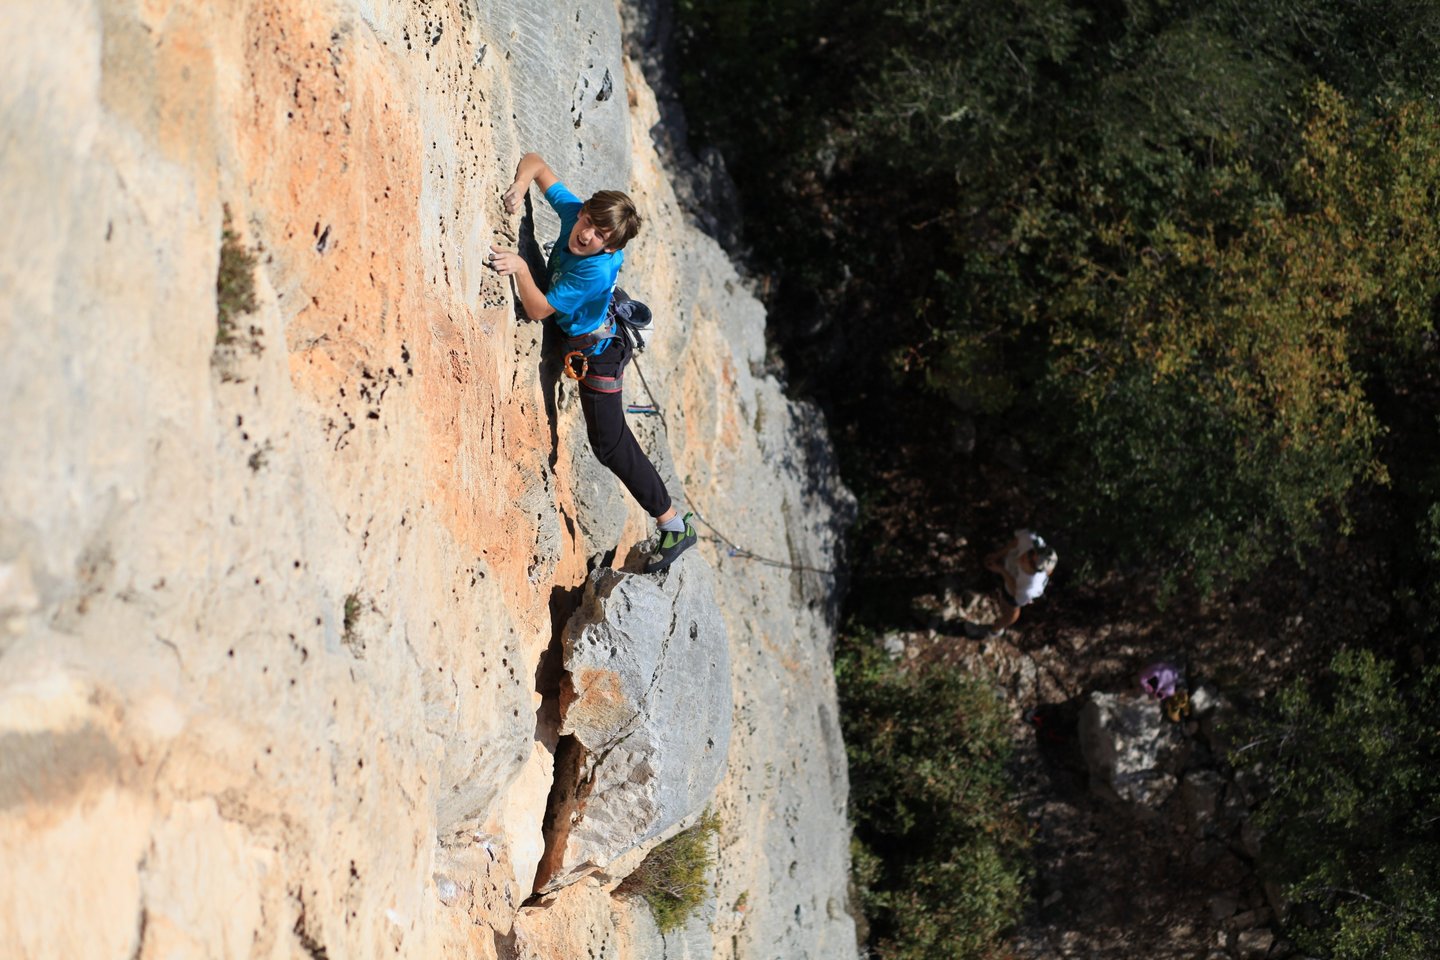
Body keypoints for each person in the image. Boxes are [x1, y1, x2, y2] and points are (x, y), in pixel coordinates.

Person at [486, 152, 697, 573]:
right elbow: (536, 162)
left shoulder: (594, 273)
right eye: (587, 223)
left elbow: (539, 308)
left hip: (598, 354)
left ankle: (674, 525)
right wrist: (521, 185)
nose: (586, 236)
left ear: (612, 247)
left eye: (600, 236)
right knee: (610, 444)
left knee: (610, 445)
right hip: (593, 332)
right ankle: (672, 521)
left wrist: (522, 268)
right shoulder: (575, 214)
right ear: (582, 211)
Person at [969, 529, 1057, 637]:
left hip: (1013, 588)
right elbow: (1017, 542)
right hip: (1008, 565)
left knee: (1009, 608)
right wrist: (997, 555)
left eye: (1031, 562)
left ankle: (994, 630)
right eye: (1031, 553)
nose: (1026, 557)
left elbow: (1016, 593)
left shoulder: (1030, 587)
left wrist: (1001, 571)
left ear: (1036, 571)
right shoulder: (1030, 540)